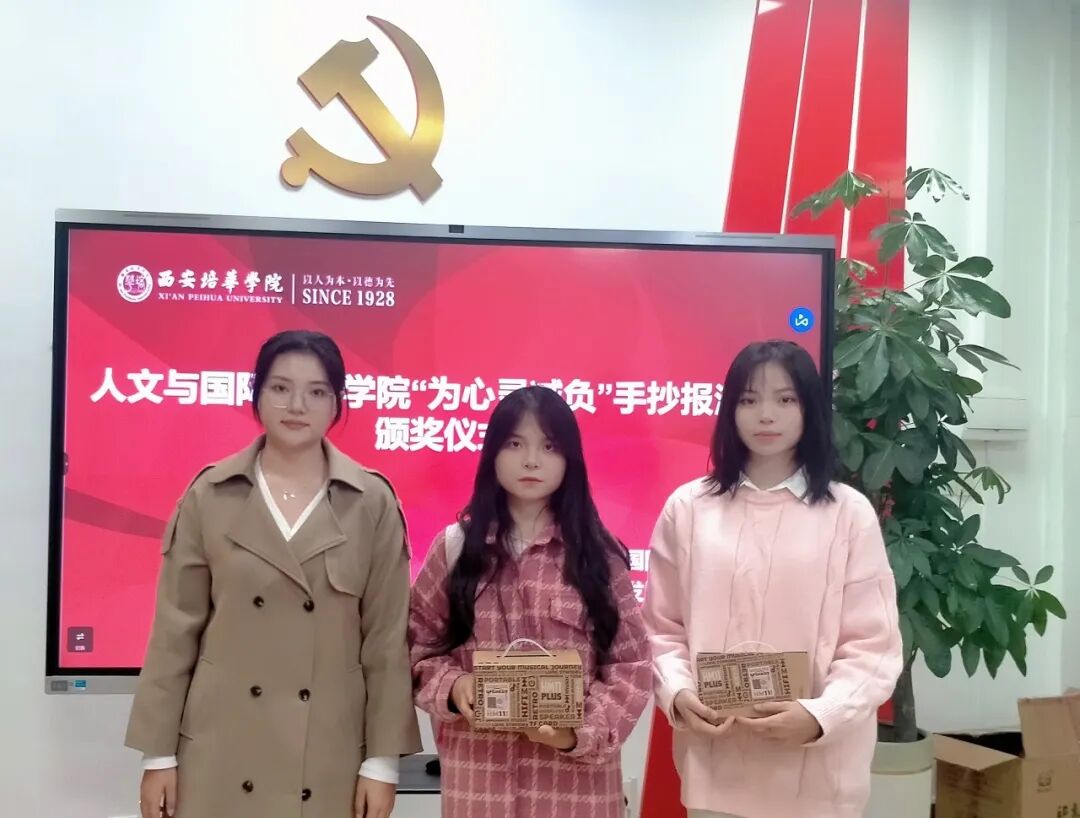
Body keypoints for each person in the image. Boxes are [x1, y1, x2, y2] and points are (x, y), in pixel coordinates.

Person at [125, 330, 421, 818]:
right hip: (220, 749)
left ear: (337, 404)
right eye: (281, 387)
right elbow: (174, 633)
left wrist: (382, 764)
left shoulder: (371, 502)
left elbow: (386, 643)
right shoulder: (211, 494)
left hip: (330, 754)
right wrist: (158, 756)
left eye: (317, 391)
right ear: (256, 394)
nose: (296, 405)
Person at [645, 339, 902, 818]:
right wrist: (678, 692)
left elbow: (874, 646)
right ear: (730, 410)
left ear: (810, 409)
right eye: (749, 399)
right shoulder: (688, 509)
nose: (766, 415)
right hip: (716, 766)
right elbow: (661, 628)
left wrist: (820, 714)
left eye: (785, 399)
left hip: (818, 772)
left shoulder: (848, 513)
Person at [409, 385, 651, 818]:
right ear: (492, 454)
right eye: (515, 444)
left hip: (577, 793)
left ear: (570, 459)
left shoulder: (599, 555)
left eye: (549, 446)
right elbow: (418, 647)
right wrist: (454, 688)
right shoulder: (454, 549)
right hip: (478, 790)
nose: (532, 460)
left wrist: (577, 732)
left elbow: (630, 666)